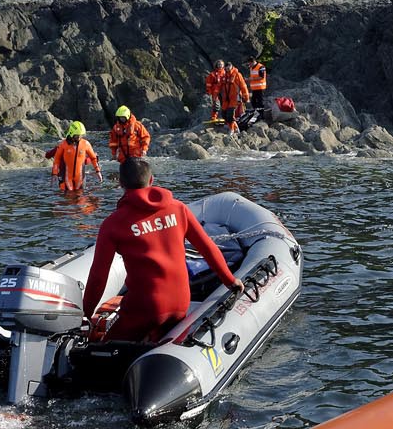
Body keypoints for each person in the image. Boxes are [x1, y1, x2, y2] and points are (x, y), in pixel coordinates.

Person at [82, 159, 242, 343]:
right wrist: (231, 281)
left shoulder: (113, 224)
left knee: (100, 349)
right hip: (181, 303)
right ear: (151, 180)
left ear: (120, 183)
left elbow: (98, 277)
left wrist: (86, 313)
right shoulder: (179, 208)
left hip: (145, 308)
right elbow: (207, 248)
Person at [44, 121, 102, 192]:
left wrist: (98, 171)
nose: (80, 137)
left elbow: (93, 158)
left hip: (80, 178)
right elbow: (56, 160)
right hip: (66, 177)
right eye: (77, 136)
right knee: (68, 197)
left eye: (81, 135)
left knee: (81, 198)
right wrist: (54, 174)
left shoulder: (85, 144)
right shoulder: (63, 145)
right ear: (72, 134)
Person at [220, 61, 250, 131]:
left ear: (231, 66)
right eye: (226, 67)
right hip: (226, 99)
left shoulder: (237, 75)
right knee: (224, 113)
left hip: (235, 98)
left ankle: (232, 130)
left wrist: (246, 97)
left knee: (230, 114)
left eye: (228, 67)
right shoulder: (224, 76)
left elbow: (243, 86)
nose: (227, 69)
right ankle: (235, 127)